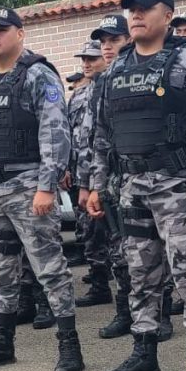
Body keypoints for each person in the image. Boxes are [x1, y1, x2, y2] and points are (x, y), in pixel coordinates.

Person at [86, 0, 186, 371]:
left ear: (167, 16)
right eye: (132, 9)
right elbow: (101, 133)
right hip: (132, 186)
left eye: (145, 8)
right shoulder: (116, 68)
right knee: (140, 273)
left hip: (178, 185)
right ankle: (144, 353)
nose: (136, 15)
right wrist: (97, 185)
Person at [0, 8, 84, 371]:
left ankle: (69, 345)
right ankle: (3, 343)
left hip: (29, 188)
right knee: (1, 271)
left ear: (20, 34)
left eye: (1, 30)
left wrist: (47, 186)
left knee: (50, 269)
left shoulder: (37, 75)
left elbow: (56, 133)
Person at [77, 14, 136, 340]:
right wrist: (89, 185)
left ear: (128, 39)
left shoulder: (141, 74)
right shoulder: (101, 85)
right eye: (104, 42)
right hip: (109, 181)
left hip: (141, 178)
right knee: (118, 252)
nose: (108, 47)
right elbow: (93, 142)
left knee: (151, 253)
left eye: (114, 40)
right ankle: (125, 312)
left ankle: (159, 313)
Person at [70, 41, 112, 309]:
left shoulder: (108, 88)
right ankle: (99, 284)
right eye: (84, 59)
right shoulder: (78, 95)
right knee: (90, 231)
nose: (86, 64)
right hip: (82, 173)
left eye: (92, 59)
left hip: (108, 173)